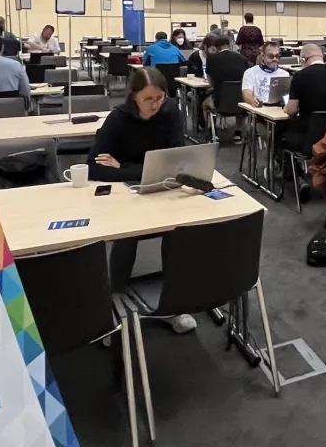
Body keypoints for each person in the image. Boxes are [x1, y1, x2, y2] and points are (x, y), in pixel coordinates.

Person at [86, 68, 195, 334]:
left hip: (160, 186)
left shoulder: (171, 112)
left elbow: (177, 160)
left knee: (178, 231)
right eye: (149, 99)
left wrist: (123, 166)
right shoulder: (118, 119)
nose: (156, 104)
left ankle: (172, 304)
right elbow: (94, 168)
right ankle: (116, 297)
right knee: (127, 233)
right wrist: (142, 169)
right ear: (134, 96)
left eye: (160, 97)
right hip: (126, 193)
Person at [286, 44, 326, 152]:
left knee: (279, 135)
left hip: (308, 137)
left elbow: (292, 111)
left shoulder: (299, 76)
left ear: (303, 60)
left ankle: (290, 168)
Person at [204, 35, 250, 143]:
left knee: (205, 104)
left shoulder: (211, 59)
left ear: (216, 48)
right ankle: (238, 133)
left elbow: (211, 82)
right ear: (229, 45)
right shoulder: (242, 58)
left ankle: (213, 133)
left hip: (220, 102)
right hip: (242, 102)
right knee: (240, 103)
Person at [241, 42, 290, 107]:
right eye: (271, 56)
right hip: (259, 109)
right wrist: (251, 99)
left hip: (278, 108)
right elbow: (246, 93)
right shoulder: (250, 72)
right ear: (263, 56)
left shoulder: (285, 74)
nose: (275, 59)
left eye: (277, 56)